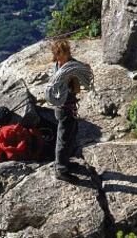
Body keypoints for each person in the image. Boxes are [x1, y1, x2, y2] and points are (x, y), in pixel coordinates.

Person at [45, 39, 94, 182]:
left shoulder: (64, 65)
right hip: (64, 109)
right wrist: (75, 76)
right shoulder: (62, 72)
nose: (69, 54)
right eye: (65, 52)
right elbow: (75, 88)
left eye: (68, 51)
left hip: (66, 108)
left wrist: (82, 68)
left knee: (71, 135)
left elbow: (79, 68)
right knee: (64, 139)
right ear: (58, 54)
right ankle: (60, 169)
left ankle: (65, 162)